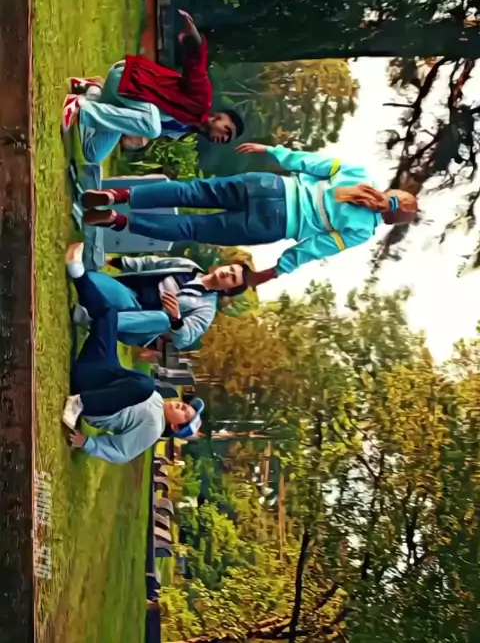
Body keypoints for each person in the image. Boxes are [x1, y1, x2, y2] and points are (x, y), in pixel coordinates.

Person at [81, 142, 419, 288]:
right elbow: (313, 249)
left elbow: (308, 162)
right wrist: (273, 272)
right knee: (191, 227)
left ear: (393, 191)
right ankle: (117, 220)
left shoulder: (359, 174)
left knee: (190, 191)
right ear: (390, 223)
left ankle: (118, 195)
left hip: (269, 186)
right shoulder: (361, 232)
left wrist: (271, 150)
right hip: (271, 224)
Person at [62, 269, 204, 464]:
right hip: (95, 374)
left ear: (175, 427)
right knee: (110, 316)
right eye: (186, 406)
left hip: (91, 400)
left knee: (145, 385)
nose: (182, 406)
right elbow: (119, 378)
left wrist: (86, 442)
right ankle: (78, 273)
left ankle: (79, 403)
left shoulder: (153, 429)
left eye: (184, 414)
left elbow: (123, 452)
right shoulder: (157, 399)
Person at [61, 11, 244, 162]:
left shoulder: (185, 130)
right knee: (152, 126)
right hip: (129, 80)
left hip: (124, 101)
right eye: (227, 130)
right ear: (218, 116)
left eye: (227, 140)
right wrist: (194, 40)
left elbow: (139, 123)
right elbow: (197, 68)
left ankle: (93, 92)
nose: (224, 138)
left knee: (93, 153)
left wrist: (140, 139)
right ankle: (78, 107)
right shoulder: (202, 101)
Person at [65, 241, 250, 349]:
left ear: (228, 290)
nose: (228, 273)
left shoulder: (206, 309)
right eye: (231, 269)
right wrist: (110, 260)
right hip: (127, 294)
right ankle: (90, 316)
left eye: (232, 278)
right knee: (93, 279)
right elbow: (150, 263)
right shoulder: (187, 266)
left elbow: (184, 339)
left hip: (137, 326)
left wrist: (176, 318)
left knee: (163, 319)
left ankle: (97, 319)